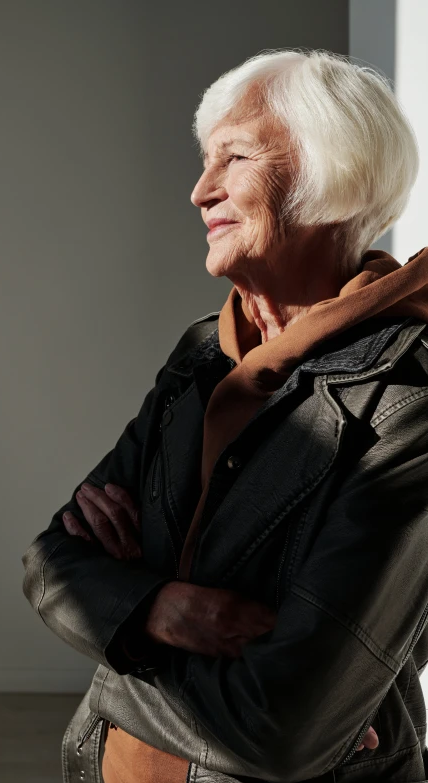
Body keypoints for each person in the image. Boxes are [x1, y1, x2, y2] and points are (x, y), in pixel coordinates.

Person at [22, 49, 428, 783]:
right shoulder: (202, 355)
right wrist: (160, 608)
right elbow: (52, 561)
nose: (198, 190)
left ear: (329, 172)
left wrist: (117, 638)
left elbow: (279, 726)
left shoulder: (407, 398)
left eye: (232, 158)